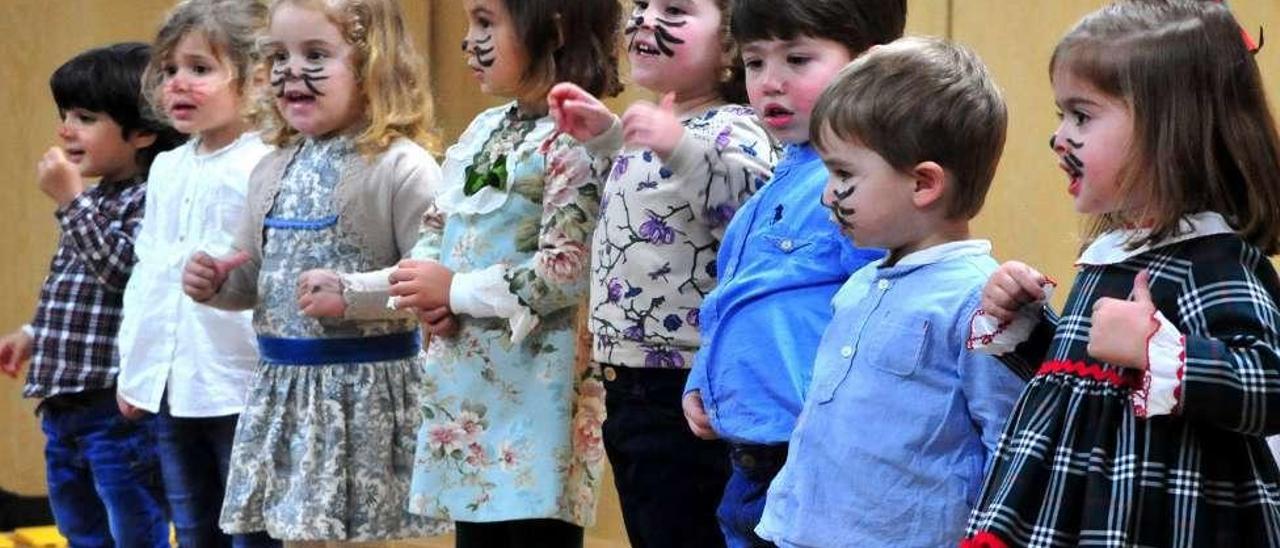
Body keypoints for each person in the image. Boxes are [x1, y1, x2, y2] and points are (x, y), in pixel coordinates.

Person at [963, 1, 1280, 546]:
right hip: (1077, 510)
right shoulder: (1115, 252)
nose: (1059, 138)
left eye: (1081, 116)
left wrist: (1162, 349)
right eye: (1061, 115)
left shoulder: (1210, 260)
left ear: (1169, 128)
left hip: (1155, 516)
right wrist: (1029, 328)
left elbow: (1269, 385)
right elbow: (1084, 385)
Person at [180, 0, 447, 543]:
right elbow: (255, 274)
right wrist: (219, 284)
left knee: (360, 533)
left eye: (316, 54)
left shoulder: (402, 165)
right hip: (284, 390)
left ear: (374, 65)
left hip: (363, 394)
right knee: (296, 534)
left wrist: (353, 294)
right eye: (278, 56)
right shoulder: (271, 166)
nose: (290, 73)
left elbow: (434, 276)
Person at [753, 37, 1025, 548]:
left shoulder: (981, 301)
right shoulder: (859, 284)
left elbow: (1012, 445)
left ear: (924, 184)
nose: (827, 193)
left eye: (843, 173)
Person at [389, 0, 621, 546]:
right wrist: (428, 292)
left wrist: (456, 291)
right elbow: (439, 221)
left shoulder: (579, 137)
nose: (470, 40)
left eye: (487, 22)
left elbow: (565, 271)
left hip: (535, 393)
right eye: (470, 22)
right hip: (466, 388)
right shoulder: (488, 127)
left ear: (555, 27)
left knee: (527, 534)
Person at [546, 0, 777, 545]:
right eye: (642, 5)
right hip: (629, 386)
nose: (646, 20)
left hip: (686, 390)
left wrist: (678, 146)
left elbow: (751, 217)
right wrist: (608, 137)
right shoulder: (659, 127)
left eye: (674, 9)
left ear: (728, 47)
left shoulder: (735, 128)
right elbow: (653, 194)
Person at [679, 0, 904, 545]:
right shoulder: (781, 177)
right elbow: (734, 298)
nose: (770, 83)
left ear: (867, 68)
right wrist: (703, 379)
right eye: (755, 63)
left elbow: (877, 307)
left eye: (798, 60)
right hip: (749, 456)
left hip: (811, 453)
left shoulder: (856, 186)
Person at [0, 42, 184, 548]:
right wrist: (34, 333)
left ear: (143, 131)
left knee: (132, 516)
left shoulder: (150, 196)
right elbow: (77, 285)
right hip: (65, 405)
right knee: (75, 517)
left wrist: (72, 201)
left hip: (115, 406)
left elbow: (126, 274)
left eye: (85, 117)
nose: (65, 130)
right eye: (65, 115)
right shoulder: (96, 197)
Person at [118, 1, 279, 546]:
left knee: (253, 529)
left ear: (256, 79)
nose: (178, 84)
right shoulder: (167, 166)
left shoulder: (268, 161)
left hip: (243, 382)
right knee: (192, 528)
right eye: (169, 70)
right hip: (175, 387)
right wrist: (137, 373)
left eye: (200, 69)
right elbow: (150, 276)